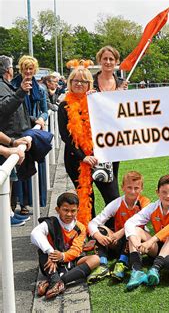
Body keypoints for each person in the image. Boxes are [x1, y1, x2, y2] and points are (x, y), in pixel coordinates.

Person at [58, 59, 118, 226]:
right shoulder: (64, 106)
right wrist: (83, 157)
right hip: (76, 160)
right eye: (75, 80)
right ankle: (88, 234)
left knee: (112, 197)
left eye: (83, 81)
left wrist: (97, 101)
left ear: (89, 83)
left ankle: (113, 234)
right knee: (85, 198)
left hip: (100, 157)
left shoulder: (96, 101)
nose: (79, 84)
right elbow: (66, 136)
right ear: (70, 82)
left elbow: (112, 118)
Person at [31, 192, 100, 299]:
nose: (69, 214)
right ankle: (54, 279)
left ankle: (56, 282)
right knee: (42, 251)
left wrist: (62, 256)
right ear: (58, 209)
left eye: (73, 211)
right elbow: (34, 234)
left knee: (95, 259)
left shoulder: (80, 227)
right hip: (51, 261)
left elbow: (76, 250)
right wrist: (51, 252)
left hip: (69, 260)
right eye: (65, 210)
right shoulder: (51, 222)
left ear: (78, 210)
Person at [123, 174, 169, 290]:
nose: (168, 196)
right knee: (136, 230)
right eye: (164, 192)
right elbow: (129, 223)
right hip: (157, 247)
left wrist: (150, 241)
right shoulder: (153, 207)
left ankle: (155, 268)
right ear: (157, 192)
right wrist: (137, 244)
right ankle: (137, 270)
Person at [86, 171, 151, 283]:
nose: (132, 191)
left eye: (136, 188)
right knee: (101, 229)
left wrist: (120, 232)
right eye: (129, 187)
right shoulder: (117, 203)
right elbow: (92, 223)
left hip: (135, 245)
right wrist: (98, 236)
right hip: (117, 242)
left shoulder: (145, 202)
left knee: (132, 233)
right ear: (122, 188)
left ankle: (122, 264)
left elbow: (137, 223)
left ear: (141, 189)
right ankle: (103, 265)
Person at [92, 46, 128, 226]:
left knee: (110, 184)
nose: (108, 62)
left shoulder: (122, 83)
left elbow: (127, 112)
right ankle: (90, 228)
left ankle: (111, 227)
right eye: (105, 59)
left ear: (116, 62)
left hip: (114, 144)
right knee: (87, 192)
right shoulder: (89, 82)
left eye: (111, 59)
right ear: (100, 60)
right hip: (91, 145)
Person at [11, 55, 49, 212]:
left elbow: (45, 111)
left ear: (35, 70)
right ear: (20, 68)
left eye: (31, 68)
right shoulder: (13, 86)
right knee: (19, 167)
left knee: (33, 166)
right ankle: (20, 204)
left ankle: (32, 201)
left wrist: (41, 118)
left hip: (33, 131)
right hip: (18, 131)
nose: (28, 71)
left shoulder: (40, 89)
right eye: (25, 68)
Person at [0, 55, 35, 226]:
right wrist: (9, 145)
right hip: (8, 140)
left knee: (10, 179)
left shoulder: (7, 86)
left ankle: (8, 214)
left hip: (11, 139)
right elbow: (5, 109)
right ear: (9, 70)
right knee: (6, 179)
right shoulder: (2, 86)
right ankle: (6, 217)